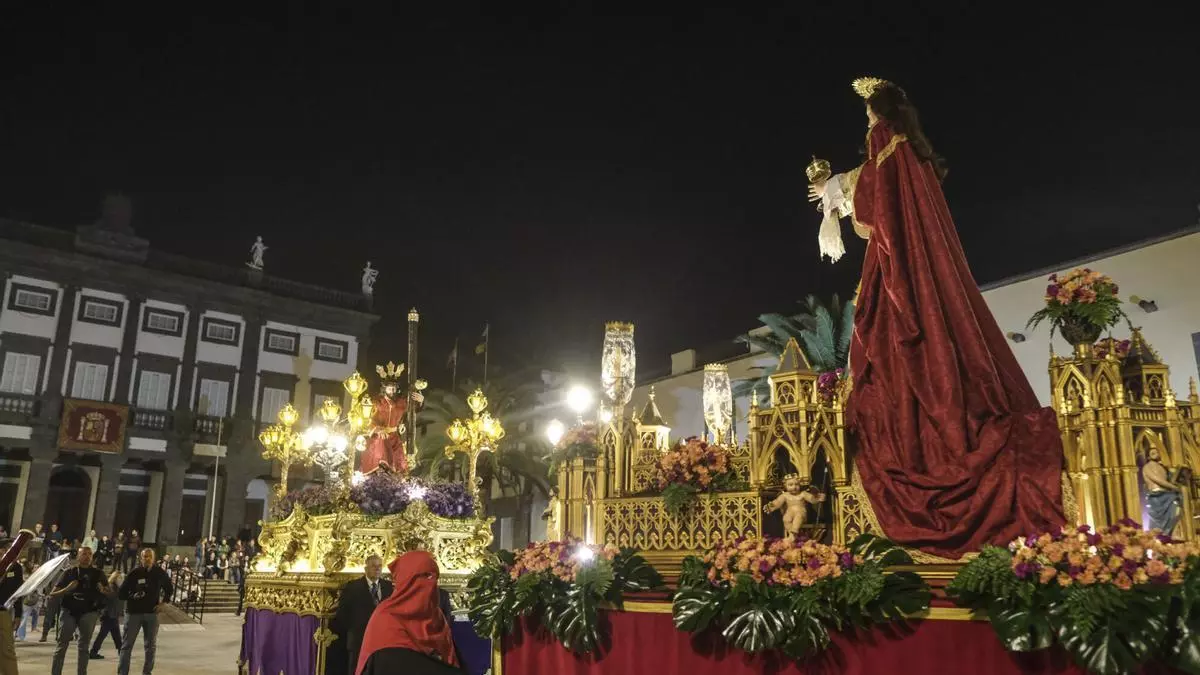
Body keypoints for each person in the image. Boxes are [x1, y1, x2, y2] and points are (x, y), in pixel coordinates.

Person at [808, 77, 1064, 559]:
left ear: (877, 111)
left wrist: (833, 189)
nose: (865, 119)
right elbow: (882, 192)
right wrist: (838, 187)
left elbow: (877, 202)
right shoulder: (913, 147)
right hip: (916, 263)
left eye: (867, 111)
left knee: (892, 366)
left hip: (897, 266)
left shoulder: (884, 138)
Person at [355, 551, 462, 675]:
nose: (430, 583)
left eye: (432, 577)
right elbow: (393, 665)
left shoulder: (437, 616)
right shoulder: (385, 616)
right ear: (407, 580)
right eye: (424, 576)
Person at [48, 545, 110, 675]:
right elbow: (52, 594)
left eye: (89, 554)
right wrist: (67, 589)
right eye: (84, 554)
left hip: (89, 612)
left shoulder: (98, 573)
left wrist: (102, 590)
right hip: (69, 611)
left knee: (84, 647)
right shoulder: (69, 572)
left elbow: (109, 593)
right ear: (78, 556)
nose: (87, 557)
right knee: (61, 646)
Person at [357, 362, 424, 475]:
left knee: (400, 466)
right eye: (389, 388)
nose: (392, 390)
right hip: (378, 436)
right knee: (382, 458)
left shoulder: (401, 402)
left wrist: (421, 400)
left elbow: (414, 408)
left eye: (394, 388)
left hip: (394, 437)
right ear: (384, 388)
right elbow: (367, 418)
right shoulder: (376, 402)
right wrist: (378, 429)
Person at [333, 555, 393, 675]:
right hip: (358, 640)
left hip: (382, 641)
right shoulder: (353, 587)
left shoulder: (388, 587)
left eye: (379, 566)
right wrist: (355, 629)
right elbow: (343, 614)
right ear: (366, 569)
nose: (377, 569)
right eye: (373, 566)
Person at [117, 549, 173, 675]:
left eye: (149, 556)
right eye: (144, 556)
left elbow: (169, 588)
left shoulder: (159, 573)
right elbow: (121, 593)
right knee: (126, 646)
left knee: (150, 646)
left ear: (153, 558)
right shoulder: (134, 573)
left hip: (151, 613)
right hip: (133, 614)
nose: (147, 559)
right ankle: (122, 672)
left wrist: (164, 602)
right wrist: (133, 595)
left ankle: (147, 672)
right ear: (140, 558)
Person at [1143, 447, 1182, 533]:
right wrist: (1173, 487)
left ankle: (1168, 533)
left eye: (1157, 453)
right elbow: (1158, 480)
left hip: (1167, 494)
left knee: (1175, 510)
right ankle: (1160, 535)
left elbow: (1169, 479)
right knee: (1158, 521)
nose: (1156, 454)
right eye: (1153, 453)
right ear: (1148, 456)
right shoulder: (1147, 467)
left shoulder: (1162, 467)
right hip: (1156, 496)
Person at [0, 538, 24, 675]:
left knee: (7, 650)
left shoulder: (17, 568)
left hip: (4, 612)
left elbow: (18, 592)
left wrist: (19, 614)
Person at [89, 570, 123, 660]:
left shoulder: (117, 587)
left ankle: (121, 651)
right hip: (109, 614)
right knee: (103, 635)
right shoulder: (111, 586)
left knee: (116, 635)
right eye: (119, 577)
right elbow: (110, 596)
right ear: (115, 578)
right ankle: (93, 652)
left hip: (112, 614)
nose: (121, 579)